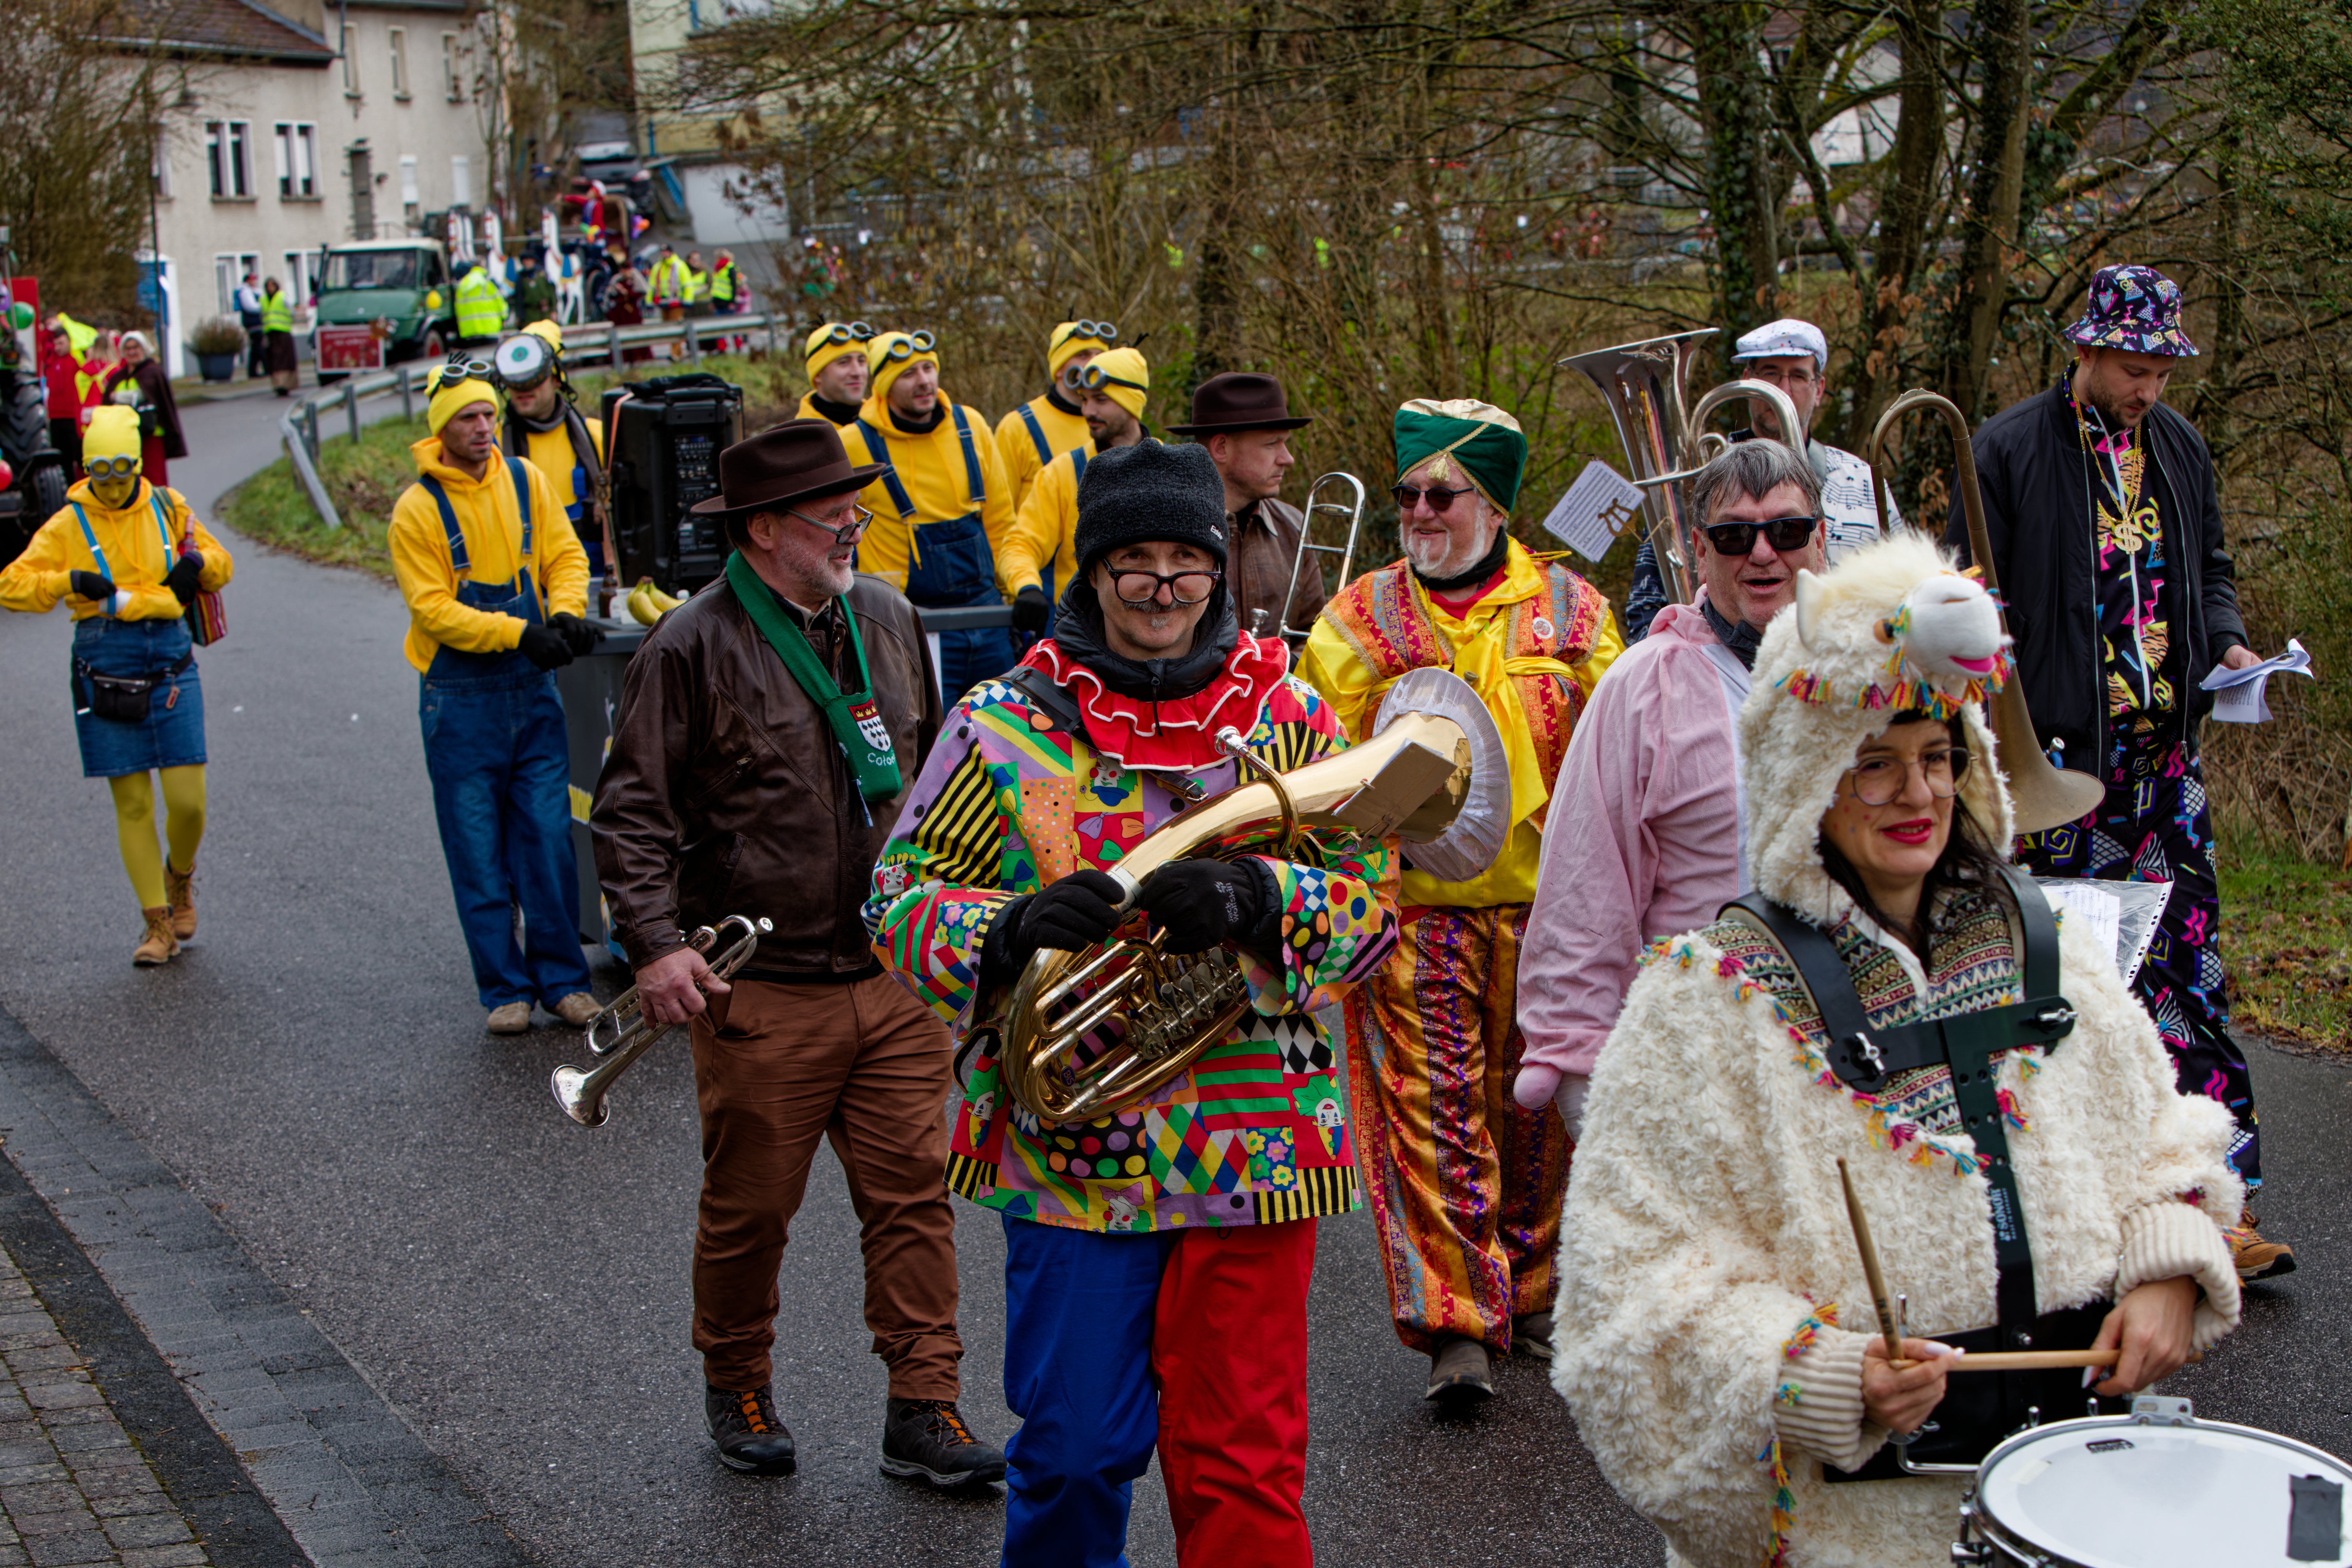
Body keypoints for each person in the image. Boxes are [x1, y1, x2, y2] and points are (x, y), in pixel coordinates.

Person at [1554, 531, 2245, 1568]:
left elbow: (2165, 1137)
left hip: (2073, 1493)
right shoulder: (1701, 1002)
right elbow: (1627, 1299)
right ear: (1805, 777)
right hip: (1857, 1526)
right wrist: (1822, 1378)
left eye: (1935, 759)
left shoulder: (2039, 952)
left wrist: (2169, 1269)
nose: (1917, 797)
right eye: (1870, 766)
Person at [866, 438, 1400, 1564]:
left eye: (1186, 561)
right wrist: (1000, 929)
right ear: (1092, 571)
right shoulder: (1007, 721)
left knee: (1245, 1462)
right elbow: (898, 897)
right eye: (1134, 561)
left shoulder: (1291, 715)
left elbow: (1370, 907)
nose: (1163, 587)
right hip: (1072, 1157)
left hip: (1258, 1153)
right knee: (1067, 1454)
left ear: (1219, 567)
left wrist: (1263, 895)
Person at [593, 418, 1004, 1488]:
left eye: (858, 510)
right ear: (767, 527)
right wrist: (653, 946)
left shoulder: (891, 613)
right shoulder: (688, 643)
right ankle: (736, 1383)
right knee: (750, 1211)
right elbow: (630, 814)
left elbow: (933, 783)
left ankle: (926, 1404)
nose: (856, 530)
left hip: (895, 976)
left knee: (915, 1195)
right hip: (762, 992)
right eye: (837, 516)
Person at [1949, 262, 2292, 1280]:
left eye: (2161, 369)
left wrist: (2226, 644)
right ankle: (2072, 1212)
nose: (2149, 387)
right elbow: (1974, 602)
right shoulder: (2008, 449)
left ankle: (2223, 1205)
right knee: (2070, 993)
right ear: (2087, 351)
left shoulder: (2182, 447)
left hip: (2164, 767)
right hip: (2057, 774)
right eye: (2134, 365)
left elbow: (2214, 575)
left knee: (2191, 983)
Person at [1296, 398, 1621, 1403]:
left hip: (1550, 913)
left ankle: (1526, 1289)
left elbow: (1619, 753)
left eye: (1444, 493)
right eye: (1408, 494)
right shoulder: (1356, 619)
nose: (1421, 512)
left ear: (1496, 504)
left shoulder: (1573, 611)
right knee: (1431, 1112)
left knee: (1533, 1111)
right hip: (1416, 910)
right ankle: (1455, 1325)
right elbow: (1312, 757)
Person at [1516, 440, 1828, 1140]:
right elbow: (1584, 889)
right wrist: (1576, 1064)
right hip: (1700, 1066)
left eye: (1787, 530)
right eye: (1733, 535)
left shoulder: (1872, 669)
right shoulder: (1641, 684)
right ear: (1696, 548)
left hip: (1858, 1057)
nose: (1762, 554)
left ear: (1821, 538)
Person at [387, 361, 601, 1036]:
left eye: (487, 415)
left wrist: (564, 613)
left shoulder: (524, 479)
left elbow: (565, 555)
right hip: (460, 700)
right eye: (466, 419)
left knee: (548, 843)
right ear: (441, 429)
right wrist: (518, 631)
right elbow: (432, 611)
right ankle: (503, 989)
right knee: (477, 851)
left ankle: (564, 981)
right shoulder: (417, 510)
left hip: (531, 695)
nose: (483, 428)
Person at [0, 405, 233, 964]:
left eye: (122, 469)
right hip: (103, 664)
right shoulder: (66, 523)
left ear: (136, 464)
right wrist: (65, 581)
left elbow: (221, 563)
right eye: (98, 471)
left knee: (188, 801)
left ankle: (179, 877)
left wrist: (195, 566)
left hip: (171, 665)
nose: (110, 484)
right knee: (131, 804)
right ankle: (157, 926)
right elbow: (11, 584)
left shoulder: (168, 508)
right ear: (85, 466)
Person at [1620, 317, 1900, 642]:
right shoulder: (1695, 481)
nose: (1783, 389)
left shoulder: (1863, 478)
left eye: (1798, 376)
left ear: (1819, 388)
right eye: (1770, 373)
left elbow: (1901, 593)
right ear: (1747, 380)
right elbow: (1645, 607)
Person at [838, 330, 1018, 701]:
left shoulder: (971, 427)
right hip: (908, 623)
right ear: (884, 387)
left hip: (989, 618)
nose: (924, 381)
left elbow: (1003, 523)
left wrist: (1020, 590)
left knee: (1009, 735)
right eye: (908, 374)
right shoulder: (854, 443)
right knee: (932, 744)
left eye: (928, 368)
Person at [995, 345, 1151, 633]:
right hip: (1079, 631)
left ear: (1132, 402)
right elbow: (1020, 545)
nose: (1088, 411)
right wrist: (1027, 586)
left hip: (1154, 625)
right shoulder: (1062, 471)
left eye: (1101, 400)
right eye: (1085, 400)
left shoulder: (1169, 471)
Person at [1168, 371, 1327, 641]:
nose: (1287, 459)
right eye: (1271, 444)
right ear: (1221, 448)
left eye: (1285, 443)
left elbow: (1313, 634)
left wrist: (1285, 671)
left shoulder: (1294, 525)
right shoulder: (1166, 528)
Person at [498, 321, 609, 581]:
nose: (524, 389)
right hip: (521, 581)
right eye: (516, 381)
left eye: (535, 378)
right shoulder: (493, 446)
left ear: (557, 379)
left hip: (587, 578)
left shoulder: (596, 438)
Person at [993, 319, 1113, 508]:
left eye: (1099, 355)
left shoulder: (1113, 423)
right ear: (1059, 369)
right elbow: (999, 510)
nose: (1093, 363)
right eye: (1082, 355)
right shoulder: (1017, 427)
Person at [103, 332, 186, 490]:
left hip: (151, 436)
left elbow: (143, 395)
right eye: (128, 349)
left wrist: (119, 397)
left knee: (154, 482)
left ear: (144, 348)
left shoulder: (153, 372)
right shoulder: (119, 377)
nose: (132, 352)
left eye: (136, 347)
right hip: (124, 439)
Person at [795, 320, 872, 426]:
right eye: (844, 362)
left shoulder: (883, 428)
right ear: (818, 374)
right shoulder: (800, 437)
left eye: (862, 361)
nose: (857, 372)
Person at [42, 324, 87, 480]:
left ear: (70, 342)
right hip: (55, 418)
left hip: (73, 418)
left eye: (61, 343)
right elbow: (39, 345)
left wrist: (63, 323)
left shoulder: (77, 360)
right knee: (62, 461)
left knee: (79, 458)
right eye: (55, 344)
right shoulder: (50, 361)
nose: (58, 348)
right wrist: (49, 330)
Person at [603, 258, 652, 366]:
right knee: (620, 334)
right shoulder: (617, 280)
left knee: (636, 333)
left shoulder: (635, 279)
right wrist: (616, 291)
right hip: (620, 313)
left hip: (632, 312)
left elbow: (640, 294)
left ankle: (639, 357)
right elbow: (610, 296)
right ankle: (622, 359)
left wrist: (626, 292)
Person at [452, 260, 506, 351]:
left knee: (476, 361)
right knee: (491, 357)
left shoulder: (462, 285)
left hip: (470, 330)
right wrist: (504, 318)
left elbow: (458, 308)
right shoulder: (488, 282)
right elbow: (500, 302)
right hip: (491, 328)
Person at [259, 279, 299, 395]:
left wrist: (289, 323)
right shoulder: (263, 300)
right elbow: (262, 315)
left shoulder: (283, 297)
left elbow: (292, 312)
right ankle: (278, 384)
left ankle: (287, 384)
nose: (270, 288)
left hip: (283, 333)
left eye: (272, 286)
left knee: (286, 360)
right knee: (274, 360)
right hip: (271, 334)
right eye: (268, 286)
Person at [233, 270, 266, 380]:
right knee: (259, 345)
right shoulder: (245, 292)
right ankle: (266, 368)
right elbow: (250, 307)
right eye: (252, 280)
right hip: (253, 322)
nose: (254, 282)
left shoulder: (254, 291)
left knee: (256, 346)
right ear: (247, 280)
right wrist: (264, 307)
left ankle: (253, 371)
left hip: (257, 321)